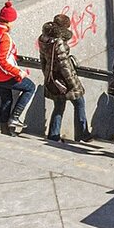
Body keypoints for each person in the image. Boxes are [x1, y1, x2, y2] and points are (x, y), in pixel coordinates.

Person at [0, 2, 36, 135]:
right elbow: (2, 61)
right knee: (30, 87)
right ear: (8, 21)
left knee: (6, 99)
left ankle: (5, 130)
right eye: (13, 21)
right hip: (4, 75)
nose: (13, 24)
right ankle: (15, 117)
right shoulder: (4, 37)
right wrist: (18, 72)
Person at [40, 13, 91, 142]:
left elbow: (43, 60)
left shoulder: (43, 38)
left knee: (59, 106)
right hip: (64, 80)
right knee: (79, 102)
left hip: (53, 80)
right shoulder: (59, 42)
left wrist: (47, 75)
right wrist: (73, 84)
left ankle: (53, 135)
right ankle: (82, 134)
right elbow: (65, 66)